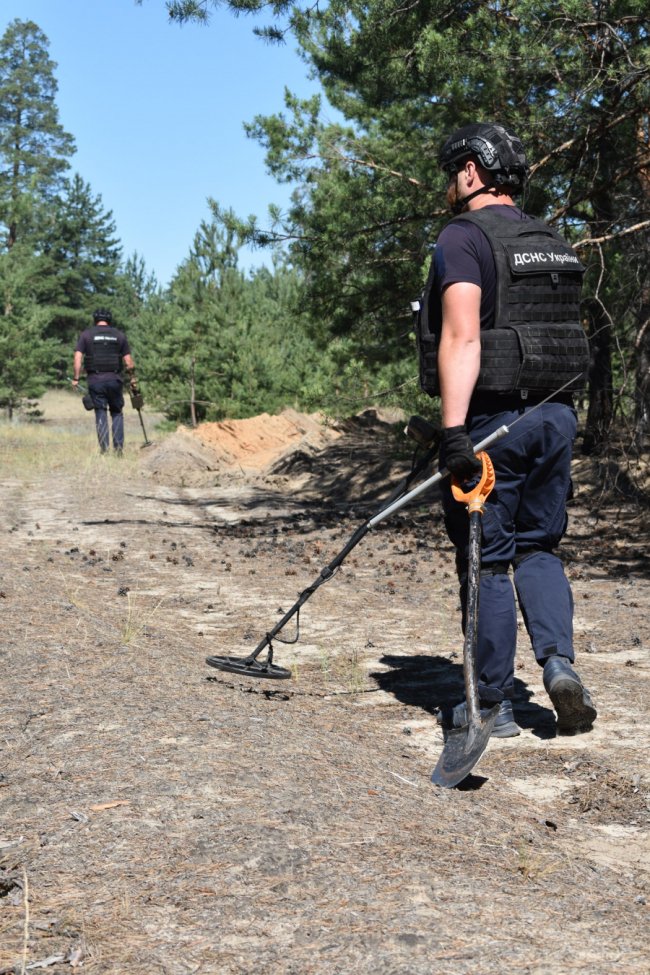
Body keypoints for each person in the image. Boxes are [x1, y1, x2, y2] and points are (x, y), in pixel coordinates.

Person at [416, 122, 597, 738]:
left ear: (471, 171)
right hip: (556, 419)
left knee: (488, 561)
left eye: (453, 171)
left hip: (497, 422)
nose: (450, 182)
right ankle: (559, 667)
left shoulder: (462, 238)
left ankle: (489, 703)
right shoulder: (548, 240)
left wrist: (454, 433)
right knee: (539, 547)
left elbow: (463, 336)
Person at [72, 308, 137, 454]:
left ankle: (104, 450)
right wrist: (133, 380)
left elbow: (77, 358)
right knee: (117, 412)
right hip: (115, 380)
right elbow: (129, 362)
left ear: (95, 319)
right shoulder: (119, 335)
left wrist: (76, 378)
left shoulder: (86, 335)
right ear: (110, 320)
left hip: (95, 380)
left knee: (100, 412)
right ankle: (119, 449)